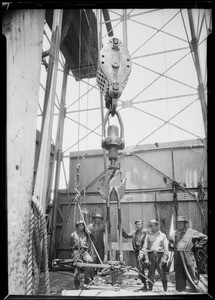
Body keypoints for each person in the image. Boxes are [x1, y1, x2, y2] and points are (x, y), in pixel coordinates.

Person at [168, 216, 207, 292]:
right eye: (178, 223)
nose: (179, 224)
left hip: (187, 255)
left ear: (185, 224)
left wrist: (198, 245)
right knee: (179, 274)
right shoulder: (175, 232)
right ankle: (180, 291)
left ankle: (196, 291)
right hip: (177, 255)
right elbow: (170, 240)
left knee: (191, 273)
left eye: (181, 223)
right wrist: (171, 245)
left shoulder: (192, 232)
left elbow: (204, 238)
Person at [139, 219, 169, 292]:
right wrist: (146, 259)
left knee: (162, 273)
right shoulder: (148, 236)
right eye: (151, 226)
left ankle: (165, 290)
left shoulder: (163, 235)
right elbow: (145, 247)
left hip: (160, 256)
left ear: (157, 226)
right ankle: (150, 291)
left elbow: (166, 248)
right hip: (151, 256)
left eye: (155, 225)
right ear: (150, 227)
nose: (153, 227)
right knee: (151, 274)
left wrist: (165, 259)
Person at [122, 219, 149, 291]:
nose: (138, 226)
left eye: (140, 224)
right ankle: (145, 285)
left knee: (149, 268)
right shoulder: (134, 233)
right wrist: (121, 229)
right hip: (137, 252)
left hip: (146, 252)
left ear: (142, 224)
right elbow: (126, 236)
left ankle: (149, 284)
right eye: (137, 224)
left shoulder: (146, 232)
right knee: (140, 268)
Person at [71, 220, 93, 286]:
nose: (81, 227)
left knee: (89, 261)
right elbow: (71, 244)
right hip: (77, 251)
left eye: (82, 225)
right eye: (80, 225)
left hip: (84, 251)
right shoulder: (73, 234)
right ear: (77, 226)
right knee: (77, 265)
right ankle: (77, 282)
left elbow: (91, 238)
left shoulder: (86, 234)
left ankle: (86, 278)